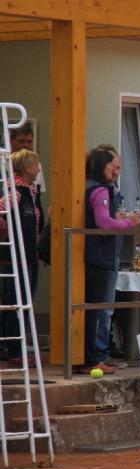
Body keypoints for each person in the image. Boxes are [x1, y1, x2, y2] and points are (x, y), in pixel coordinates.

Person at [83, 147, 140, 374]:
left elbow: (107, 218)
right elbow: (103, 223)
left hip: (105, 255)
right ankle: (95, 357)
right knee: (100, 309)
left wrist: (121, 218)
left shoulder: (105, 189)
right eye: (113, 166)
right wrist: (129, 223)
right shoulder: (99, 191)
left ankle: (98, 355)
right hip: (101, 256)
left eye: (119, 167)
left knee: (102, 309)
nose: (116, 171)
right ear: (102, 166)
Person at [0, 149, 44, 367]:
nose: (38, 170)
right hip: (16, 257)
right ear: (27, 168)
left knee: (22, 302)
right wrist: (5, 231)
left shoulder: (31, 191)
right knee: (17, 302)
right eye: (36, 166)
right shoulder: (15, 191)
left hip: (28, 255)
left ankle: (13, 348)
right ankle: (14, 351)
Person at [9, 122, 46, 196]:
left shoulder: (36, 166)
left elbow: (37, 197)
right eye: (21, 141)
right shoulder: (3, 163)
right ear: (11, 141)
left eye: (29, 141)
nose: (25, 145)